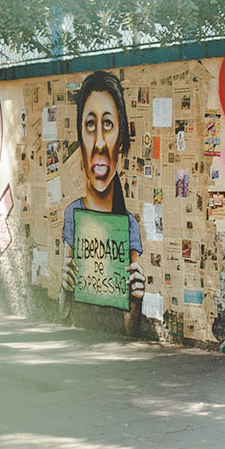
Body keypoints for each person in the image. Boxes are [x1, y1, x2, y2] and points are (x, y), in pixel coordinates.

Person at [61, 70, 145, 329]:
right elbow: (63, 314)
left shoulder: (127, 224)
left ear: (121, 139)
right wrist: (63, 290)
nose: (98, 143)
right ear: (80, 138)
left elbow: (130, 329)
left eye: (108, 124)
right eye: (89, 125)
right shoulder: (72, 214)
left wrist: (137, 300)